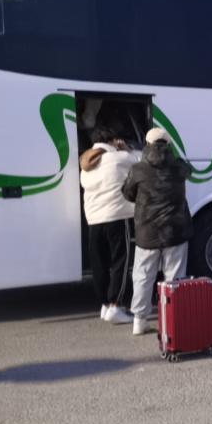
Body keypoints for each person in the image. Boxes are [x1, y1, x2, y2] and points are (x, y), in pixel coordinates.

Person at [123, 127, 194, 336]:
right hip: (176, 230)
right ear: (169, 145)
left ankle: (139, 321)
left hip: (147, 231)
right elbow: (189, 171)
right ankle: (173, 319)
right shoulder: (179, 166)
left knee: (143, 276)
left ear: (147, 144)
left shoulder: (138, 169)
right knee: (175, 277)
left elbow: (127, 193)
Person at [81, 129, 140, 325]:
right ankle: (115, 305)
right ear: (112, 141)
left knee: (100, 264)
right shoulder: (119, 158)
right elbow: (142, 161)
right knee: (120, 262)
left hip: (94, 220)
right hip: (117, 217)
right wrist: (127, 148)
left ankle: (105, 305)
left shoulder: (86, 165)